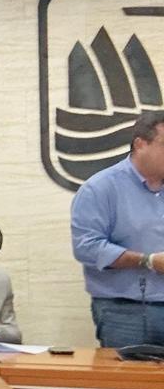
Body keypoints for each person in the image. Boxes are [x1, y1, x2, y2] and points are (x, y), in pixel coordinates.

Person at [71, 111, 164, 347]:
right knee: (127, 382)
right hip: (123, 312)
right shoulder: (100, 188)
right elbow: (87, 248)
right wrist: (148, 261)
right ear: (140, 144)